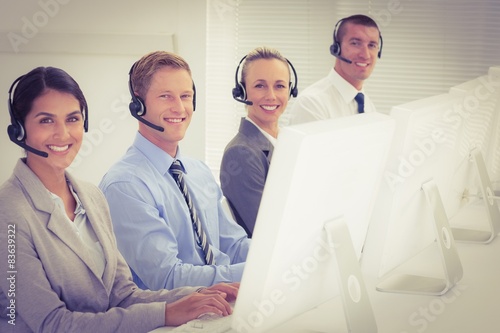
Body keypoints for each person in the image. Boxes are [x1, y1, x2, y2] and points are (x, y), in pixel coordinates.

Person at [0, 66, 238, 332]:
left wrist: (200, 293)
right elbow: (52, 324)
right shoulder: (8, 214)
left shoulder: (91, 197)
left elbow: (124, 296)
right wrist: (166, 313)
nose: (63, 134)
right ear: (19, 130)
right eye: (46, 120)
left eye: (72, 119)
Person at [99, 51, 251, 291]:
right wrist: (254, 273)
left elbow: (233, 245)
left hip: (224, 305)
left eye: (185, 96)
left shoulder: (198, 171)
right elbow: (168, 279)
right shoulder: (125, 185)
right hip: (173, 322)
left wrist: (277, 257)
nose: (179, 108)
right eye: (165, 96)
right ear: (138, 104)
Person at [220, 46, 298, 237]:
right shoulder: (241, 153)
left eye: (280, 86)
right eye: (260, 85)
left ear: (291, 90)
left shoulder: (289, 143)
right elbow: (268, 234)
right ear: (242, 91)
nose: (271, 95)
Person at [289, 14, 382, 124]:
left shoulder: (368, 106)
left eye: (372, 45)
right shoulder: (311, 104)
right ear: (336, 49)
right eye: (356, 43)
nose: (365, 55)